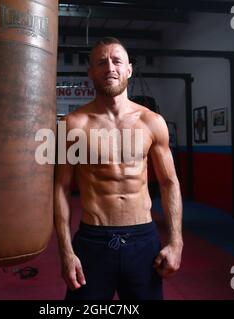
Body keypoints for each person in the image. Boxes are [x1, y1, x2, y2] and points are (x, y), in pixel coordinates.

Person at [54, 37, 183, 300]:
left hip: (143, 241)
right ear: (90, 72)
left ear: (129, 69)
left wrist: (176, 242)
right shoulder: (71, 125)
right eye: (101, 62)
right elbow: (61, 188)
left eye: (116, 61)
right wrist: (66, 252)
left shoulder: (152, 122)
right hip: (93, 242)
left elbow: (170, 183)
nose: (109, 67)